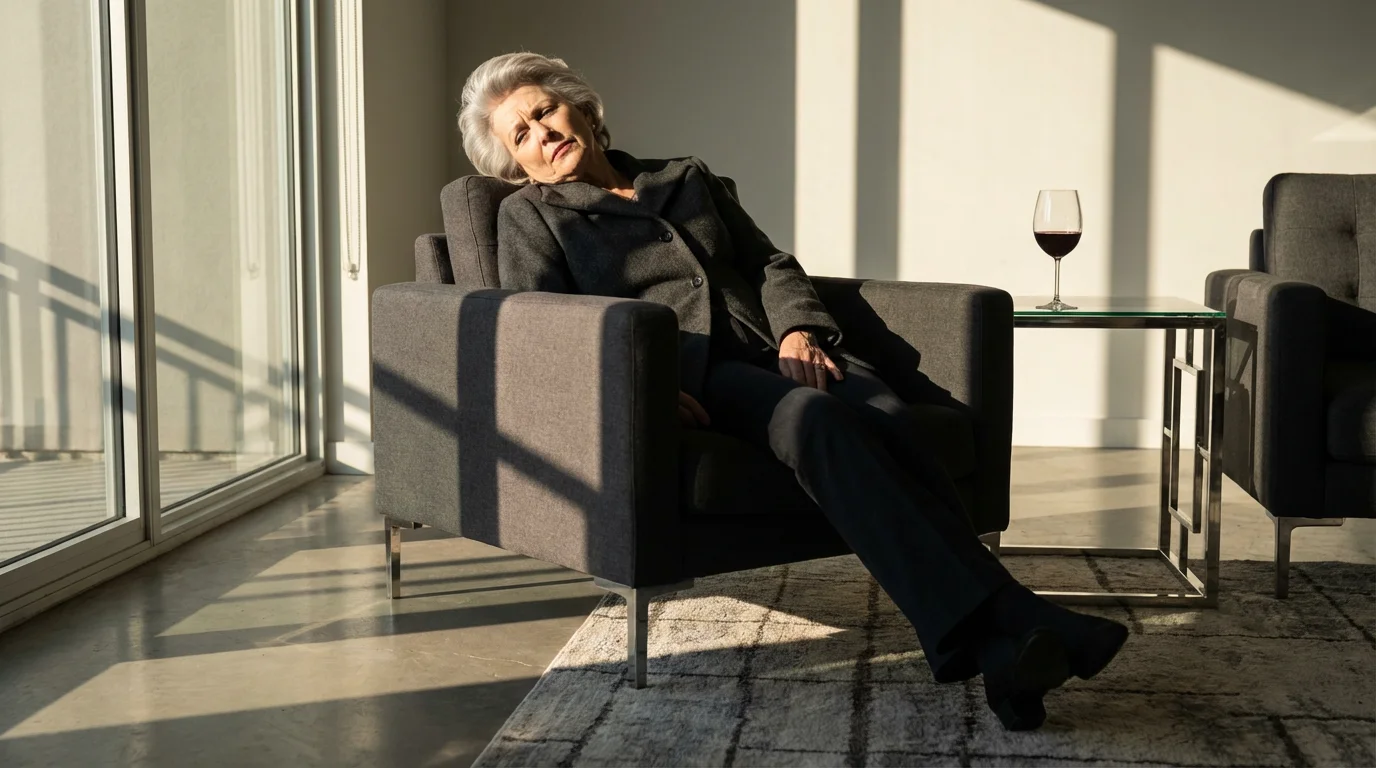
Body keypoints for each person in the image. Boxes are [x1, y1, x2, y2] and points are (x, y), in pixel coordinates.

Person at [458, 52, 1127, 731]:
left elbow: (768, 262)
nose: (540, 133)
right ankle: (1022, 615)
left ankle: (1004, 655)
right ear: (517, 163)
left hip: (780, 344)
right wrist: (642, 389)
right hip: (700, 372)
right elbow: (543, 326)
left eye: (543, 111)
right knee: (813, 420)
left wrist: (802, 329)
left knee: (891, 417)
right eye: (520, 135)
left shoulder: (683, 176)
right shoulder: (530, 217)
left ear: (580, 106)